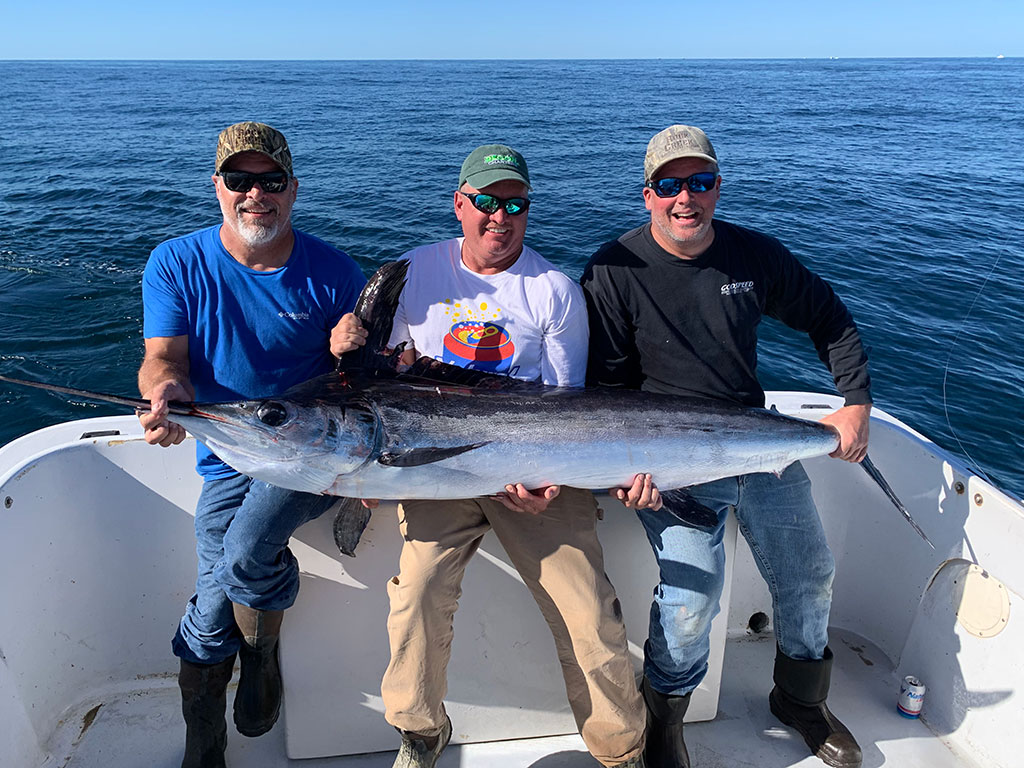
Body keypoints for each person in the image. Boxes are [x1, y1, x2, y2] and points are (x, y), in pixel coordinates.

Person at [581, 125, 870, 768]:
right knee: (692, 600)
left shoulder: (754, 255)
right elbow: (602, 391)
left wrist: (854, 401)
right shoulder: (611, 269)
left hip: (755, 442)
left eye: (701, 182)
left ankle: (800, 701)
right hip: (665, 458)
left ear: (718, 187)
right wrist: (619, 474)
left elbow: (829, 316)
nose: (687, 198)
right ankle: (665, 722)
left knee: (810, 574)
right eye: (670, 185)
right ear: (647, 194)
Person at [378, 144, 649, 768]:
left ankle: (621, 749)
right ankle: (420, 733)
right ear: (459, 203)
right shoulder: (414, 272)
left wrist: (549, 482)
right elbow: (387, 385)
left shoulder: (553, 290)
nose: (500, 217)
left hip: (535, 471)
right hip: (438, 467)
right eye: (486, 202)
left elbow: (566, 410)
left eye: (515, 204)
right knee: (416, 594)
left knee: (588, 611)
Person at [138, 121, 368, 768]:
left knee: (241, 547)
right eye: (239, 180)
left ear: (293, 190)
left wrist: (346, 349)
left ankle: (240, 685)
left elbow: (363, 386)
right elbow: (162, 359)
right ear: (218, 187)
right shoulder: (175, 263)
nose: (254, 194)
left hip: (314, 454)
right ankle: (231, 695)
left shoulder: (333, 273)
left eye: (270, 182)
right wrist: (167, 392)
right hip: (228, 450)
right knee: (214, 598)